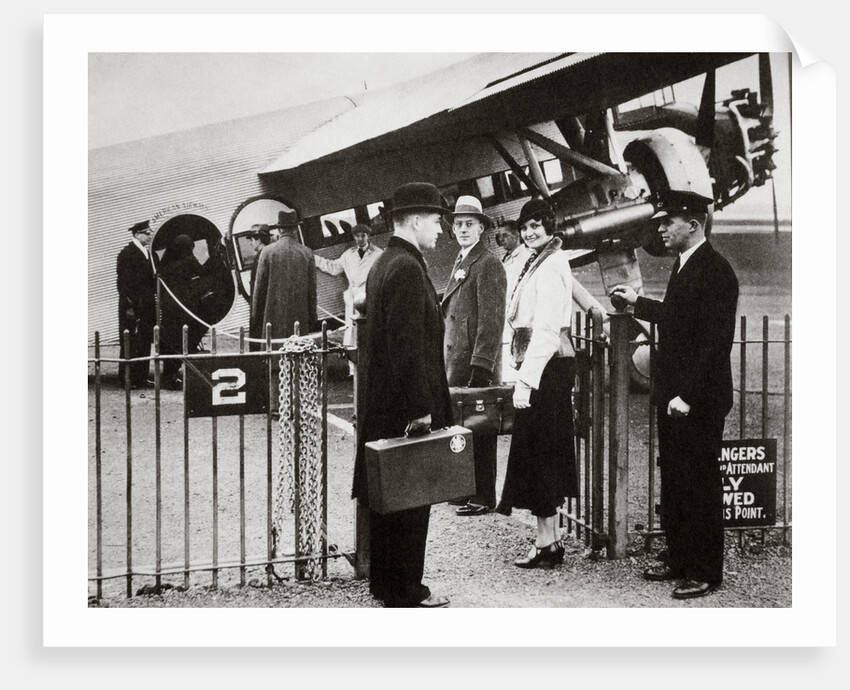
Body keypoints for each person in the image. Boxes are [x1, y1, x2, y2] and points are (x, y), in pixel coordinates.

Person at [609, 189, 738, 600]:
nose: (661, 229)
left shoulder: (715, 271)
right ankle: (680, 556)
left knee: (699, 482)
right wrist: (637, 303)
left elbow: (714, 343)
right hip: (674, 396)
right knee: (677, 479)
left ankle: (704, 569)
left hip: (694, 400)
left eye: (668, 222)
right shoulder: (686, 265)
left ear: (694, 224)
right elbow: (679, 318)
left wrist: (688, 395)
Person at [352, 182, 453, 608]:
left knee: (388, 499)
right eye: (435, 220)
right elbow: (408, 347)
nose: (441, 230)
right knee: (411, 500)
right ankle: (407, 589)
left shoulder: (384, 262)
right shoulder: (408, 268)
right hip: (404, 409)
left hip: (383, 404)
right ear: (414, 220)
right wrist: (421, 408)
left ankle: (386, 584)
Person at [497, 198, 578, 569]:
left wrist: (525, 384)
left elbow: (546, 330)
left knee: (541, 454)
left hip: (546, 369)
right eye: (526, 226)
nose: (530, 232)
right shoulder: (539, 259)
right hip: (541, 365)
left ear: (551, 226)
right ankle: (549, 539)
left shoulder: (551, 263)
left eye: (537, 225)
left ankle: (548, 543)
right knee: (539, 454)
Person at [441, 196, 506, 516]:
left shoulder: (488, 262)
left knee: (481, 430)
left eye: (470, 224)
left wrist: (481, 366)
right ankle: (467, 488)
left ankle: (483, 495)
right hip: (458, 361)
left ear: (482, 227)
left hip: (474, 364)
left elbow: (491, 321)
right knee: (464, 428)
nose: (463, 229)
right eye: (458, 224)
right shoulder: (463, 259)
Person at [314, 223, 383, 375]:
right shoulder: (348, 255)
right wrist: (313, 258)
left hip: (370, 295)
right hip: (352, 298)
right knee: (351, 332)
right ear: (353, 237)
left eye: (363, 236)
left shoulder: (378, 254)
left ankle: (376, 366)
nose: (360, 239)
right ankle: (354, 369)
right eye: (357, 236)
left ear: (368, 236)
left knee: (372, 329)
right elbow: (332, 267)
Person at [251, 210, 317, 342]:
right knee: (298, 353)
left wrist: (255, 315)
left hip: (272, 318)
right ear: (296, 229)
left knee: (275, 354)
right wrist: (312, 317)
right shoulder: (307, 253)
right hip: (299, 317)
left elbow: (258, 290)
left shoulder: (267, 252)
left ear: (280, 229)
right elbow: (312, 292)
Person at [157, 233, 207, 389]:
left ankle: (168, 375)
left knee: (170, 340)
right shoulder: (189, 260)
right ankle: (176, 373)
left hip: (168, 308)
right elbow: (202, 272)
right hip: (185, 308)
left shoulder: (165, 264)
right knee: (185, 338)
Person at [116, 220, 156, 389]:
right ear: (137, 234)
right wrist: (130, 307)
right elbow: (123, 284)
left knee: (144, 340)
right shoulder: (127, 253)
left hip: (145, 305)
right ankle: (127, 378)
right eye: (147, 233)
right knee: (130, 341)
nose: (150, 235)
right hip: (132, 306)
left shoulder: (145, 252)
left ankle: (141, 376)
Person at [496, 220, 531, 382]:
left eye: (505, 235)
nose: (501, 239)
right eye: (499, 236)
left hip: (518, 321)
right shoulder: (508, 258)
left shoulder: (525, 258)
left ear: (517, 236)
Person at [246, 224, 272, 352]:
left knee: (258, 342)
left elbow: (258, 287)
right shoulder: (269, 254)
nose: (251, 244)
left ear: (258, 240)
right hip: (266, 306)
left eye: (251, 240)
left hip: (260, 308)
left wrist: (254, 312)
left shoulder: (261, 257)